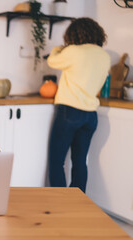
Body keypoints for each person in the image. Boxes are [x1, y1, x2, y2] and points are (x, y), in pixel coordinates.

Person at [47, 17, 110, 192]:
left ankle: (60, 204)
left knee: (57, 161)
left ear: (72, 35)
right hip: (90, 114)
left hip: (69, 111)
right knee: (80, 161)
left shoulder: (74, 51)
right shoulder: (104, 55)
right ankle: (78, 203)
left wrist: (58, 48)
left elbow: (52, 61)